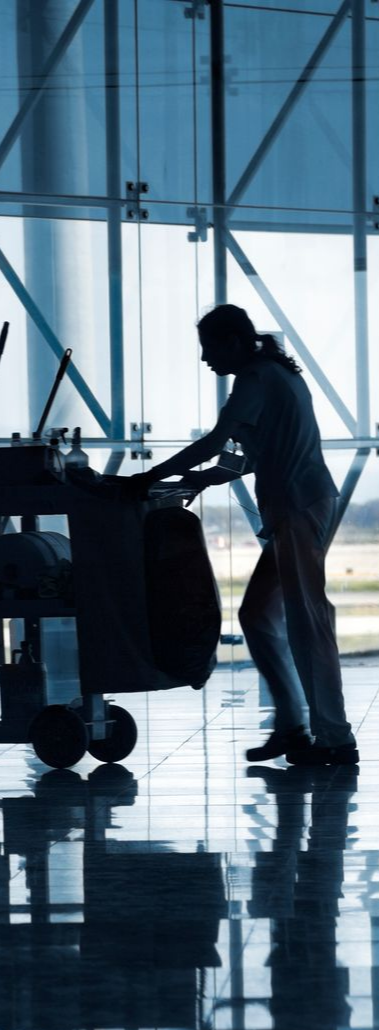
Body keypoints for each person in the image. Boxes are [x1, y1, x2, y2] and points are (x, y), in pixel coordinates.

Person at [131, 303, 357, 766]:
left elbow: (215, 442)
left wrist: (147, 476)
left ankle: (334, 739)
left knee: (308, 622)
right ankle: (293, 726)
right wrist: (202, 479)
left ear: (233, 342)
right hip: (295, 506)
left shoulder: (255, 378)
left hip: (298, 505)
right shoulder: (274, 374)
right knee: (257, 615)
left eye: (209, 348)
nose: (205, 360)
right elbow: (249, 456)